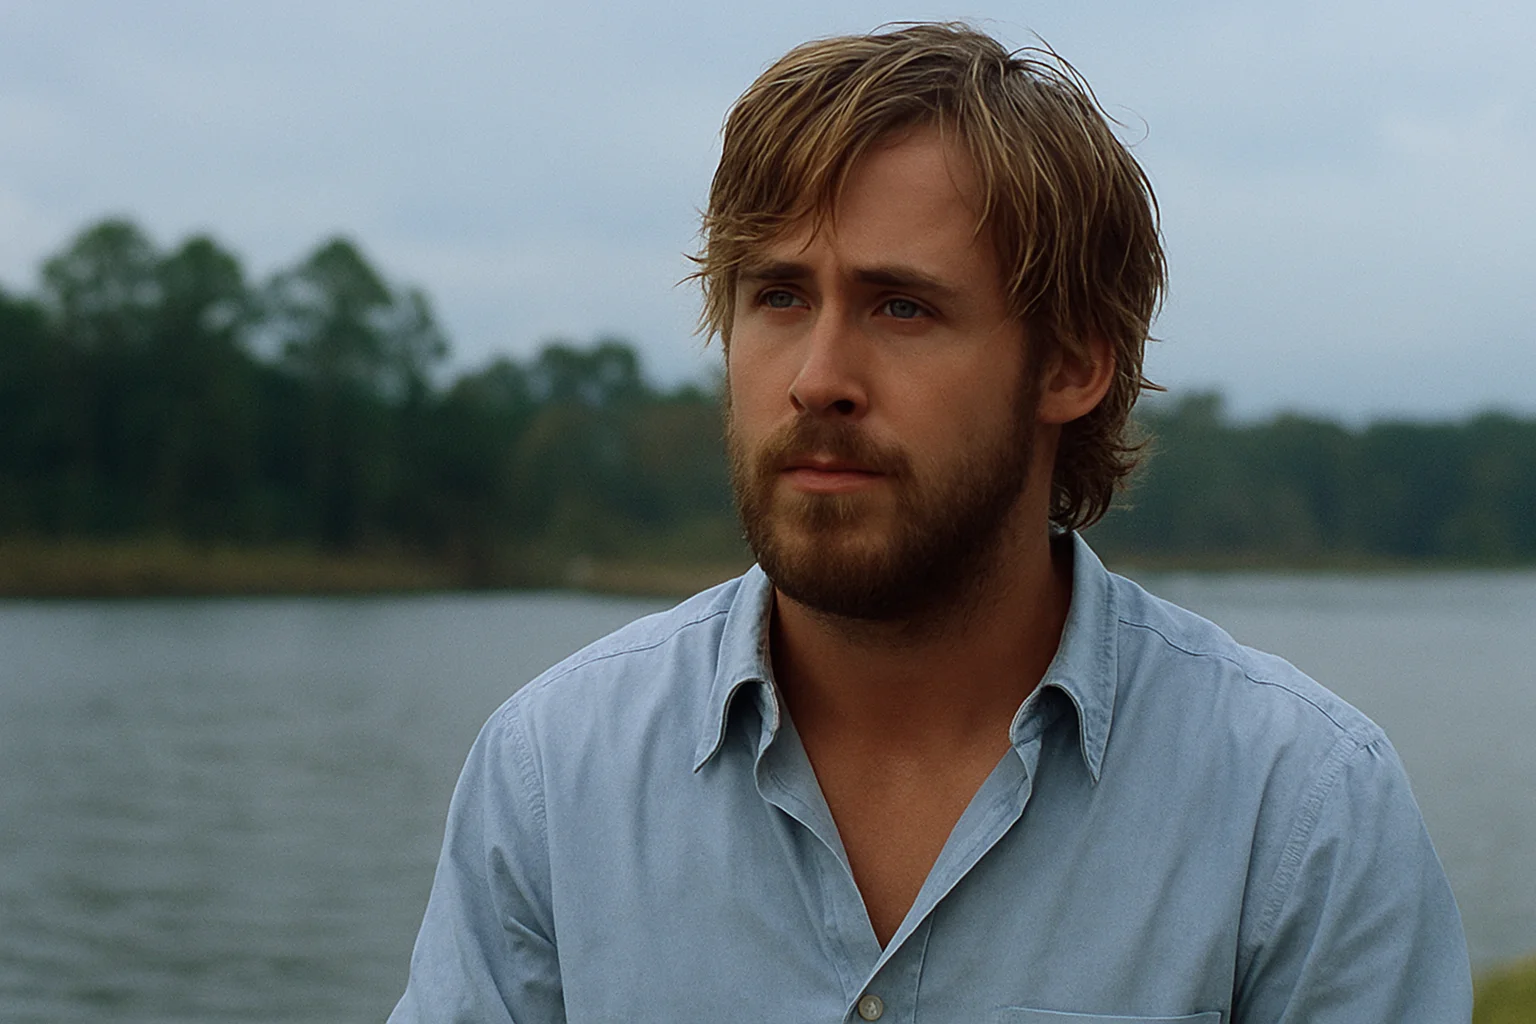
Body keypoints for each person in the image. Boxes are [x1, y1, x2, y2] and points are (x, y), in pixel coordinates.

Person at [390, 23, 1471, 1022]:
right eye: (777, 297)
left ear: (1072, 363)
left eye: (900, 306)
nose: (817, 380)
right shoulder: (551, 774)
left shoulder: (1301, 809)